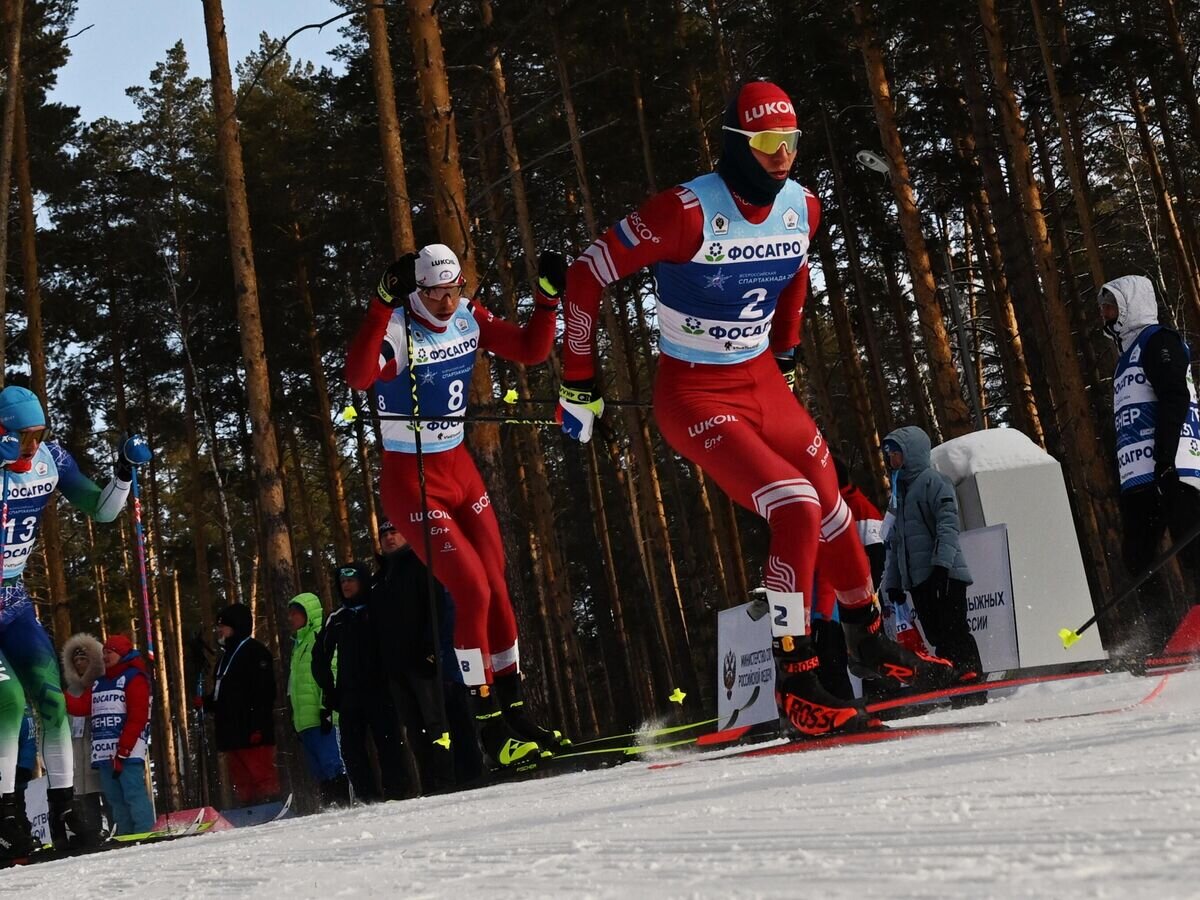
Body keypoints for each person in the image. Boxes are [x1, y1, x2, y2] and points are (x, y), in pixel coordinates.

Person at [555, 80, 953, 737]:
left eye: (791, 142)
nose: (781, 157)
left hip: (763, 383)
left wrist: (788, 350)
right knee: (794, 506)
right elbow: (584, 273)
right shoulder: (684, 211)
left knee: (833, 505)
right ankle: (796, 675)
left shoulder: (805, 207)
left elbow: (794, 270)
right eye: (767, 143)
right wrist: (577, 378)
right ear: (737, 144)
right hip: (694, 395)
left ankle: (866, 636)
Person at [345, 243, 568, 768]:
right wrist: (380, 303)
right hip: (412, 479)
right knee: (469, 589)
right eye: (436, 294)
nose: (447, 303)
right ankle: (488, 728)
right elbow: (358, 377)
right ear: (417, 291)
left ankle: (516, 715)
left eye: (454, 290)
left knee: (497, 585)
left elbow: (530, 350)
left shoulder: (468, 315)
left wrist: (548, 300)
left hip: (459, 470)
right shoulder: (399, 328)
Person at [0, 386, 150, 858]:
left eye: (38, 436)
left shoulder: (51, 458)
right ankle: (5, 817)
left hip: (13, 598)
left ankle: (67, 809)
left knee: (53, 699)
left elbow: (101, 511)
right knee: (6, 702)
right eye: (23, 438)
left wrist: (123, 473)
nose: (32, 448)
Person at [1100, 274, 1200, 655]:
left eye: (1111, 306)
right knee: (1137, 556)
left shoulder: (1158, 341)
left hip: (1173, 466)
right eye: (1103, 308)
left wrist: (1165, 457)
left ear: (1129, 306)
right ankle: (1161, 637)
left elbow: (1175, 396)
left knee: (1191, 546)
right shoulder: (1125, 358)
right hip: (1139, 477)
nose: (1105, 314)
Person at [374, 519, 479, 792]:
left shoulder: (421, 565)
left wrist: (430, 648)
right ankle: (429, 782)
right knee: (413, 726)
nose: (389, 538)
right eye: (384, 534)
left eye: (394, 532)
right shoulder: (380, 578)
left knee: (436, 723)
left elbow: (438, 609)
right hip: (396, 667)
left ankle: (448, 779)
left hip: (424, 661)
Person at [880, 427, 982, 684]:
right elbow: (895, 543)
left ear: (911, 454)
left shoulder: (934, 482)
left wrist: (941, 566)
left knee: (955, 629)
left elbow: (947, 526)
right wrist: (892, 584)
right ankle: (951, 677)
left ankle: (969, 675)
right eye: (889, 456)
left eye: (896, 455)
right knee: (936, 635)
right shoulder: (898, 496)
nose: (892, 461)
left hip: (944, 574)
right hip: (919, 581)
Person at [311, 562, 408, 803]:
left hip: (381, 690)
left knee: (389, 744)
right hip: (349, 695)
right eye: (342, 581)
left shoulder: (378, 610)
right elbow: (319, 656)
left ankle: (397, 793)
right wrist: (330, 690)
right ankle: (367, 797)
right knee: (352, 749)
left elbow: (397, 643)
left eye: (351, 580)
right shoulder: (337, 618)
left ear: (362, 581)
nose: (346, 585)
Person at [63, 634, 155, 836]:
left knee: (133, 793)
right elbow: (81, 707)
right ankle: (125, 835)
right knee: (114, 799)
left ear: (121, 653)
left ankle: (145, 830)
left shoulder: (134, 678)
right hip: (104, 754)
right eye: (103, 652)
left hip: (127, 752)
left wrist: (125, 747)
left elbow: (137, 716)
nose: (105, 656)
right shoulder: (99, 683)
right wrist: (59, 697)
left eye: (110, 652)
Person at [201, 604, 280, 806]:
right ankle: (249, 814)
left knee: (261, 776)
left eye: (224, 626)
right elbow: (224, 694)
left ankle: (272, 809)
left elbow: (264, 694)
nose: (220, 630)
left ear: (237, 626)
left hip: (252, 731)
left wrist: (257, 727)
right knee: (242, 782)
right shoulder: (224, 658)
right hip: (231, 733)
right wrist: (206, 702)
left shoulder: (255, 652)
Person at [286, 593, 348, 808]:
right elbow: (295, 685)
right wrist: (294, 716)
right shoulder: (297, 646)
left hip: (324, 717)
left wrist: (327, 707)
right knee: (319, 769)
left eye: (296, 613)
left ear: (309, 614)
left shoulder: (321, 637)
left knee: (333, 764)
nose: (291, 618)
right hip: (305, 720)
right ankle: (330, 807)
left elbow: (332, 671)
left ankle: (345, 805)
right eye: (290, 613)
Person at [61, 633, 110, 844]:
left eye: (84, 659)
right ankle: (93, 833)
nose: (80, 664)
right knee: (86, 797)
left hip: (100, 748)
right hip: (78, 751)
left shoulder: (102, 684)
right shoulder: (71, 690)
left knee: (108, 794)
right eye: (76, 661)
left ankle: (117, 827)